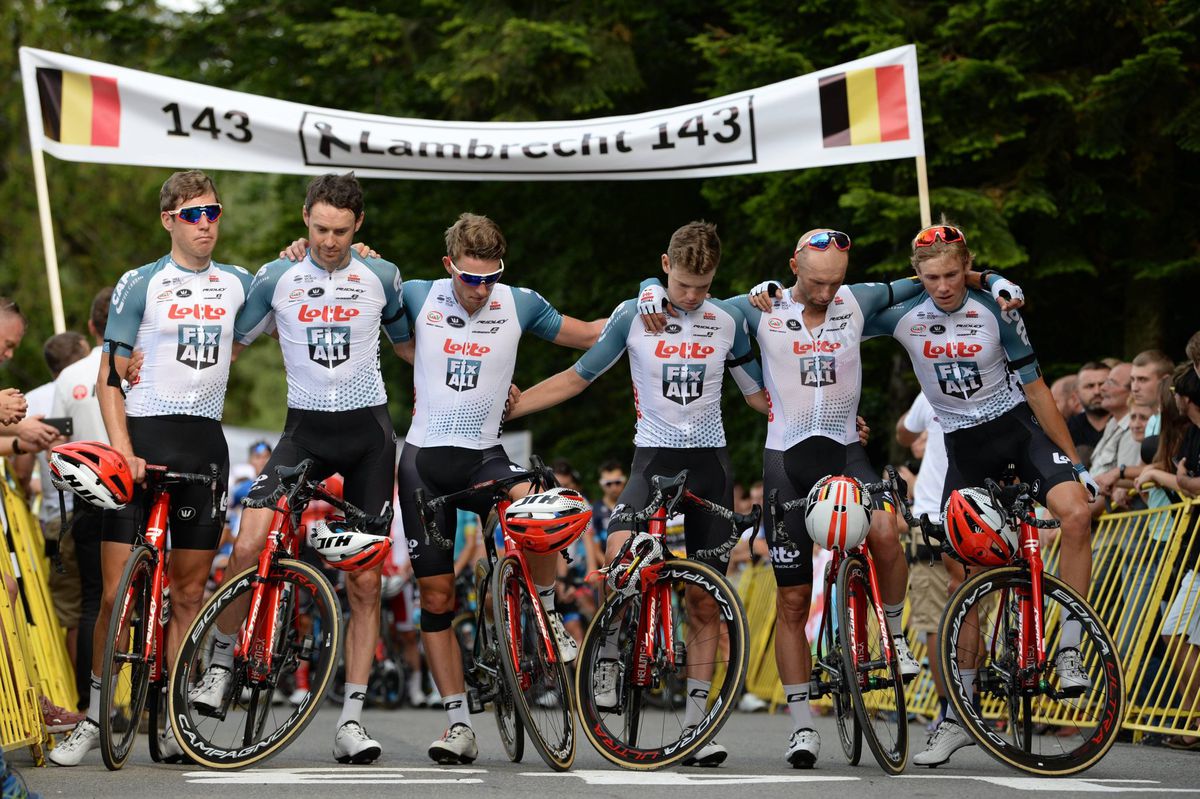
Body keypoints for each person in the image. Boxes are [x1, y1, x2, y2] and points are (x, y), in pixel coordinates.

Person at [508, 221, 767, 767]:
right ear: (665, 265)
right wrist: (510, 408)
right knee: (619, 556)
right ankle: (607, 654)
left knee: (705, 599)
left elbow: (759, 397)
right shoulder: (635, 313)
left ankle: (700, 723)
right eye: (683, 286)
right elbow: (579, 377)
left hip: (710, 465)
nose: (692, 298)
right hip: (652, 459)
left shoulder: (728, 322)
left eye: (704, 286)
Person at [865, 221, 1097, 767]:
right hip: (964, 450)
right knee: (963, 577)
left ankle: (1068, 649)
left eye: (953, 274)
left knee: (1077, 514)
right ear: (916, 275)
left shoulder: (996, 307)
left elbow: (1038, 389)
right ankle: (958, 714)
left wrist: (1078, 464)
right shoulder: (902, 314)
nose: (944, 286)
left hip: (1017, 429)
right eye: (932, 277)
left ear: (965, 267)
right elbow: (835, 315)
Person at [201, 172, 407, 766]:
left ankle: (351, 720)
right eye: (319, 229)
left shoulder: (382, 276)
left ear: (358, 225)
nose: (330, 241)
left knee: (365, 582)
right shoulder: (277, 276)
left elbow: (409, 345)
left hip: (369, 436)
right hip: (304, 433)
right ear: (304, 219)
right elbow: (230, 343)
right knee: (249, 541)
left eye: (341, 231)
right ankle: (219, 663)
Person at [48, 172, 252, 767]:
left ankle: (174, 713)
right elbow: (110, 377)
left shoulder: (238, 283)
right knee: (114, 594)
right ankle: (93, 714)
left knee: (189, 590)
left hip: (204, 443)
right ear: (169, 220)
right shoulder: (140, 283)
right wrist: (123, 449)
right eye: (193, 214)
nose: (206, 223)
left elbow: (292, 299)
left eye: (212, 212)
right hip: (142, 440)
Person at [394, 212, 604, 766]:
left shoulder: (520, 302)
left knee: (541, 513)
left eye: (490, 278)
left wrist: (650, 301)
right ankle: (458, 724)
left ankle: (549, 611)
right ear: (449, 266)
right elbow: (359, 298)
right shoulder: (418, 295)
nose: (480, 290)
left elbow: (590, 333)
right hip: (424, 462)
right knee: (437, 597)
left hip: (485, 457)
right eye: (469, 278)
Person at [50, 293, 116, 723]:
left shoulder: (69, 376)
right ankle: (145, 703)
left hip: (88, 495)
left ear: (91, 327)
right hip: (135, 489)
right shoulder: (142, 365)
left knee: (95, 599)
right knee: (146, 597)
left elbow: (55, 446)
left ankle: (87, 704)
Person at [26, 332, 90, 700]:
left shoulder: (35, 399)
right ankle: (107, 699)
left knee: (74, 613)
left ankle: (81, 699)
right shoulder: (96, 386)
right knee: (104, 604)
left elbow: (21, 469)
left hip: (56, 515)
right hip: (101, 506)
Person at [896, 392, 952, 732]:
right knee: (970, 616)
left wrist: (912, 424)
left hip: (933, 520)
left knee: (936, 621)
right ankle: (964, 705)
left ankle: (950, 711)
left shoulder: (931, 383)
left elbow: (903, 432)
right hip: (980, 515)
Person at [1089, 363, 1142, 516]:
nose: (1102, 389)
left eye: (1111, 383)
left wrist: (1071, 519)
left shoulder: (1135, 430)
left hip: (1118, 534)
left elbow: (1121, 487)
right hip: (1096, 528)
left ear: (1132, 391)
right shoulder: (1112, 424)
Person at [1067, 361, 1111, 468]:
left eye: (1102, 384)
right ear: (1076, 394)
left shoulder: (1129, 422)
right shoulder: (1068, 429)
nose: (1097, 391)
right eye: (1090, 386)